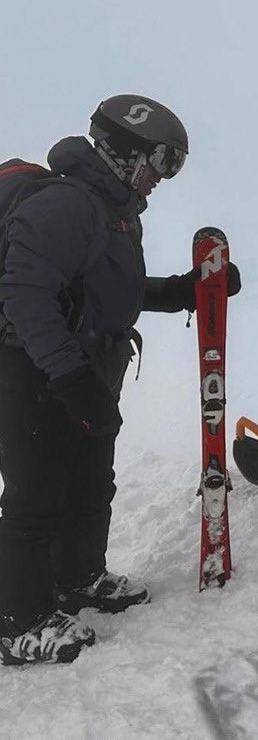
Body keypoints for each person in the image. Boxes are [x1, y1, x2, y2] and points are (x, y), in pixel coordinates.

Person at [0, 95, 241, 666]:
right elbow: (24, 296)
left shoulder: (116, 210)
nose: (163, 176)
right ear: (123, 151)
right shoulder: (65, 205)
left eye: (172, 165)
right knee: (36, 498)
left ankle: (79, 577)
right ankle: (18, 621)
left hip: (86, 367)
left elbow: (106, 295)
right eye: (161, 161)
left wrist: (181, 292)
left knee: (88, 482)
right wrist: (68, 376)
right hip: (33, 370)